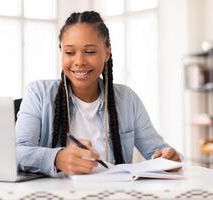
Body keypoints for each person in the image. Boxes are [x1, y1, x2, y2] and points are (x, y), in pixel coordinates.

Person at [16, 11, 181, 177]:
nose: (79, 61)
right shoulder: (38, 93)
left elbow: (157, 151)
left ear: (107, 53)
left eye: (90, 52)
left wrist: (168, 157)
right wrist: (57, 158)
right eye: (70, 52)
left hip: (114, 193)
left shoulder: (127, 99)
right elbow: (17, 151)